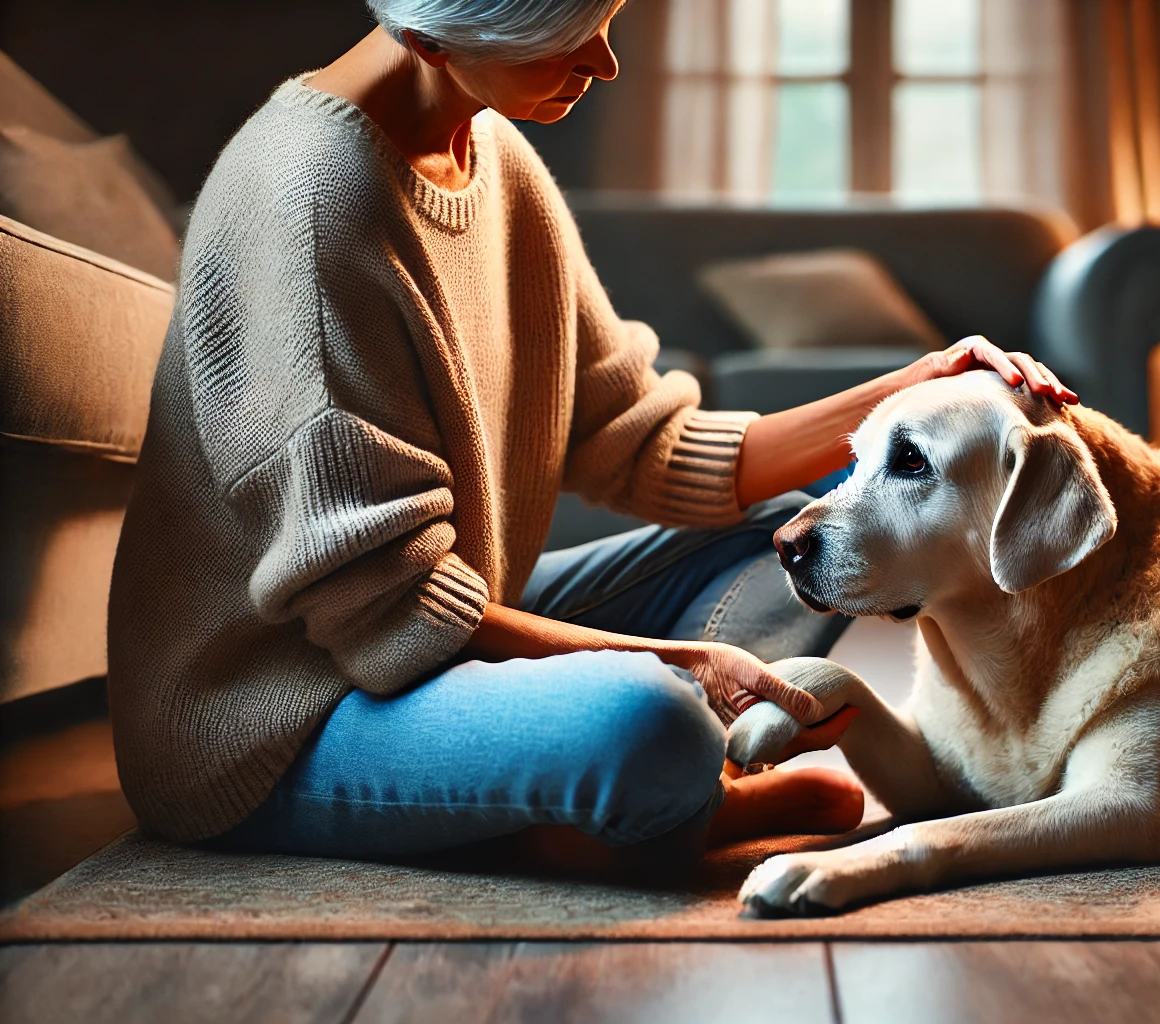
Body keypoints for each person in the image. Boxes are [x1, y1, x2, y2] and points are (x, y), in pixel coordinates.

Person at [106, 0, 1076, 864]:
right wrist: (682, 664)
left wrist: (914, 385)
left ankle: (614, 790)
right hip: (280, 721)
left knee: (794, 527)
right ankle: (636, 795)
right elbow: (390, 614)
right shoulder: (309, 201)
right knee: (646, 720)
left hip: (435, 636)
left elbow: (638, 438)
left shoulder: (495, 154)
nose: (605, 62)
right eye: (568, 36)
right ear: (432, 35)